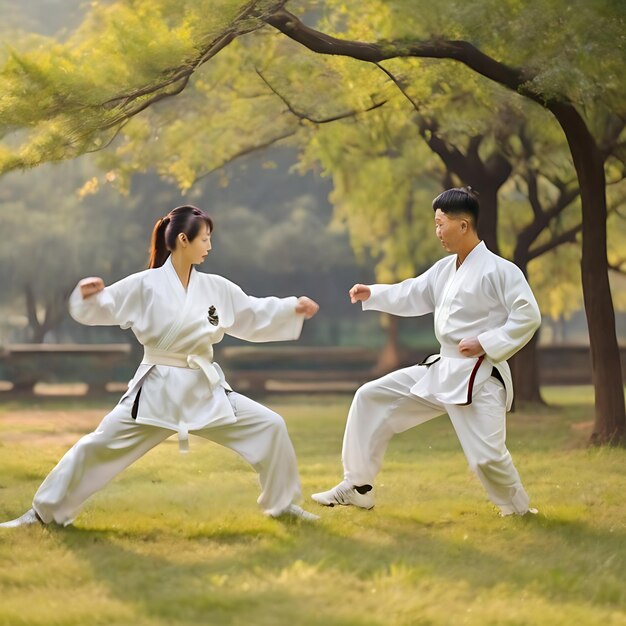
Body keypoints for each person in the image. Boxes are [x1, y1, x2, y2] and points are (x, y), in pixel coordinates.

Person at [1, 205, 320, 528]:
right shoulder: (145, 284)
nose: (209, 247)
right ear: (184, 239)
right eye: (205, 239)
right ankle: (43, 513)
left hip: (204, 388)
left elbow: (251, 311)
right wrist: (87, 297)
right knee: (97, 447)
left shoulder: (215, 287)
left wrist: (291, 308)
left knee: (270, 425)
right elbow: (106, 305)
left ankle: (282, 505)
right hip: (156, 390)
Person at [312, 187, 541, 516]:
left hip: (480, 375)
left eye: (440, 224)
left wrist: (487, 342)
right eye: (435, 225)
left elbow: (527, 315)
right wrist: (372, 294)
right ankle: (358, 486)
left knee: (487, 457)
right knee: (370, 397)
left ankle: (518, 510)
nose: (437, 233)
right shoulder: (445, 269)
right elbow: (413, 293)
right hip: (442, 367)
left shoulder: (501, 271)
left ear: (464, 225)